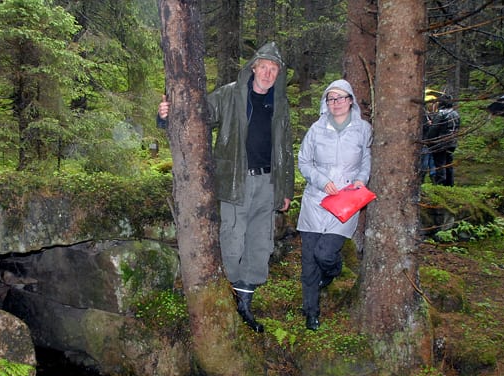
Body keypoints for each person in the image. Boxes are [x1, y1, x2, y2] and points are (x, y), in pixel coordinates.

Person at [157, 41, 295, 333]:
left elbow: (285, 148)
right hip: (237, 179)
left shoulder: (280, 104)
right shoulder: (231, 94)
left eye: (274, 69)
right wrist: (168, 112)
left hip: (268, 183)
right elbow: (198, 114)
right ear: (254, 67)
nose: (268, 73)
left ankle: (245, 304)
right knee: (232, 241)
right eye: (264, 67)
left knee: (260, 244)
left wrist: (286, 188)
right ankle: (227, 300)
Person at [296, 79, 372, 331]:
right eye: (331, 98)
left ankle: (333, 270)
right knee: (309, 260)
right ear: (325, 103)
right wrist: (320, 180)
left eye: (341, 98)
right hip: (315, 200)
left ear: (351, 100)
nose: (336, 103)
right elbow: (304, 161)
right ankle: (311, 312)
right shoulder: (316, 129)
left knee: (325, 253)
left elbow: (368, 159)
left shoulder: (363, 129)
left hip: (345, 202)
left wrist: (361, 180)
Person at [426, 94, 460, 186]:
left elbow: (434, 129)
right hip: (452, 142)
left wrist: (429, 141)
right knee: (448, 164)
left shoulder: (441, 114)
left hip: (440, 143)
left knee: (440, 164)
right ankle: (450, 184)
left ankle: (440, 184)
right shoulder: (455, 114)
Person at [420, 91, 439, 184]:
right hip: (425, 141)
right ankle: (422, 179)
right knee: (425, 162)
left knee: (430, 160)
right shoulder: (423, 114)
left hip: (429, 141)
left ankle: (433, 177)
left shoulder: (432, 114)